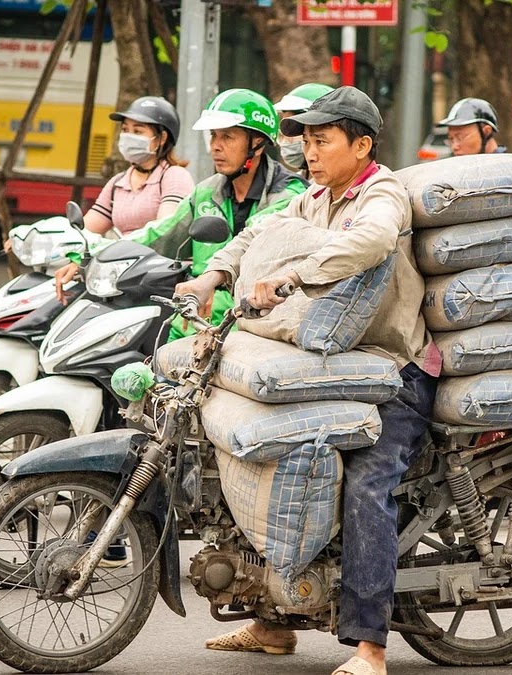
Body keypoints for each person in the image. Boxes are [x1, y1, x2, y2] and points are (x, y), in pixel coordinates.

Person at [178, 86, 439, 675]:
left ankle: (371, 647)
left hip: (395, 370)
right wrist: (215, 275)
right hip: (335, 370)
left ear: (361, 145)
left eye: (322, 141)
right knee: (272, 462)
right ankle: (273, 623)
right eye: (306, 141)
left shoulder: (382, 194)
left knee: (368, 487)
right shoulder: (315, 198)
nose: (310, 153)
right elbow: (257, 235)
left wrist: (292, 276)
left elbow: (369, 243)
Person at [54, 89, 306, 337]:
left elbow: (248, 244)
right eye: (213, 136)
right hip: (193, 316)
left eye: (227, 137)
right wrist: (91, 256)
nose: (215, 147)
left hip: (253, 323)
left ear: (257, 144)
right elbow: (159, 234)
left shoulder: (289, 195)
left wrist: (212, 284)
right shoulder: (206, 192)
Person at [86, 96, 195, 235]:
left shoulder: (174, 176)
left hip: (156, 256)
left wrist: (122, 245)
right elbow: (87, 229)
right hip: (123, 255)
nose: (128, 136)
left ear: (162, 138)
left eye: (138, 131)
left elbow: (165, 230)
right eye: (125, 130)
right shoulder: (118, 183)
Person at [273, 82, 334, 176]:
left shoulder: (342, 186)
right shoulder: (298, 184)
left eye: (293, 129)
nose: (287, 138)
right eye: (284, 130)